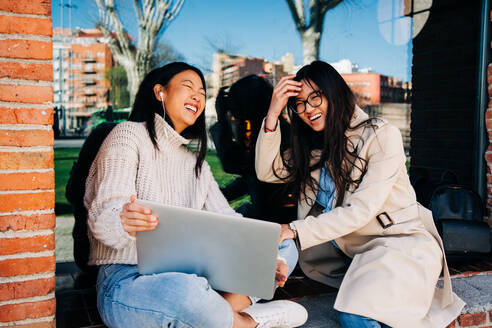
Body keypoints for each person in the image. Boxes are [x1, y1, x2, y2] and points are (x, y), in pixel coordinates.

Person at [84, 62, 307, 328]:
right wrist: (123, 220)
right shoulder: (128, 136)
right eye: (187, 87)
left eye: (202, 92)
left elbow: (228, 219)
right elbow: (102, 218)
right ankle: (247, 322)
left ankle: (217, 315)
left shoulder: (195, 162)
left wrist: (265, 255)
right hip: (130, 279)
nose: (197, 97)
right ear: (160, 92)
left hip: (195, 275)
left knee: (283, 244)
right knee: (185, 291)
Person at [255, 60, 465, 328]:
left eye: (315, 97)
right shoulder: (314, 150)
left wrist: (294, 230)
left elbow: (361, 211)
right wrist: (273, 113)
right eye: (299, 104)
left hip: (400, 245)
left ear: (334, 92)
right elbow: (267, 171)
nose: (308, 109)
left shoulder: (379, 134)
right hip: (352, 257)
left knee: (357, 314)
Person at [210, 75, 296, 222]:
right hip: (269, 217)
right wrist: (216, 197)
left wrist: (222, 119)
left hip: (279, 222)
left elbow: (235, 165)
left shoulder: (278, 135)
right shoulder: (273, 130)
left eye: (235, 103)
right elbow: (250, 177)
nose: (234, 114)